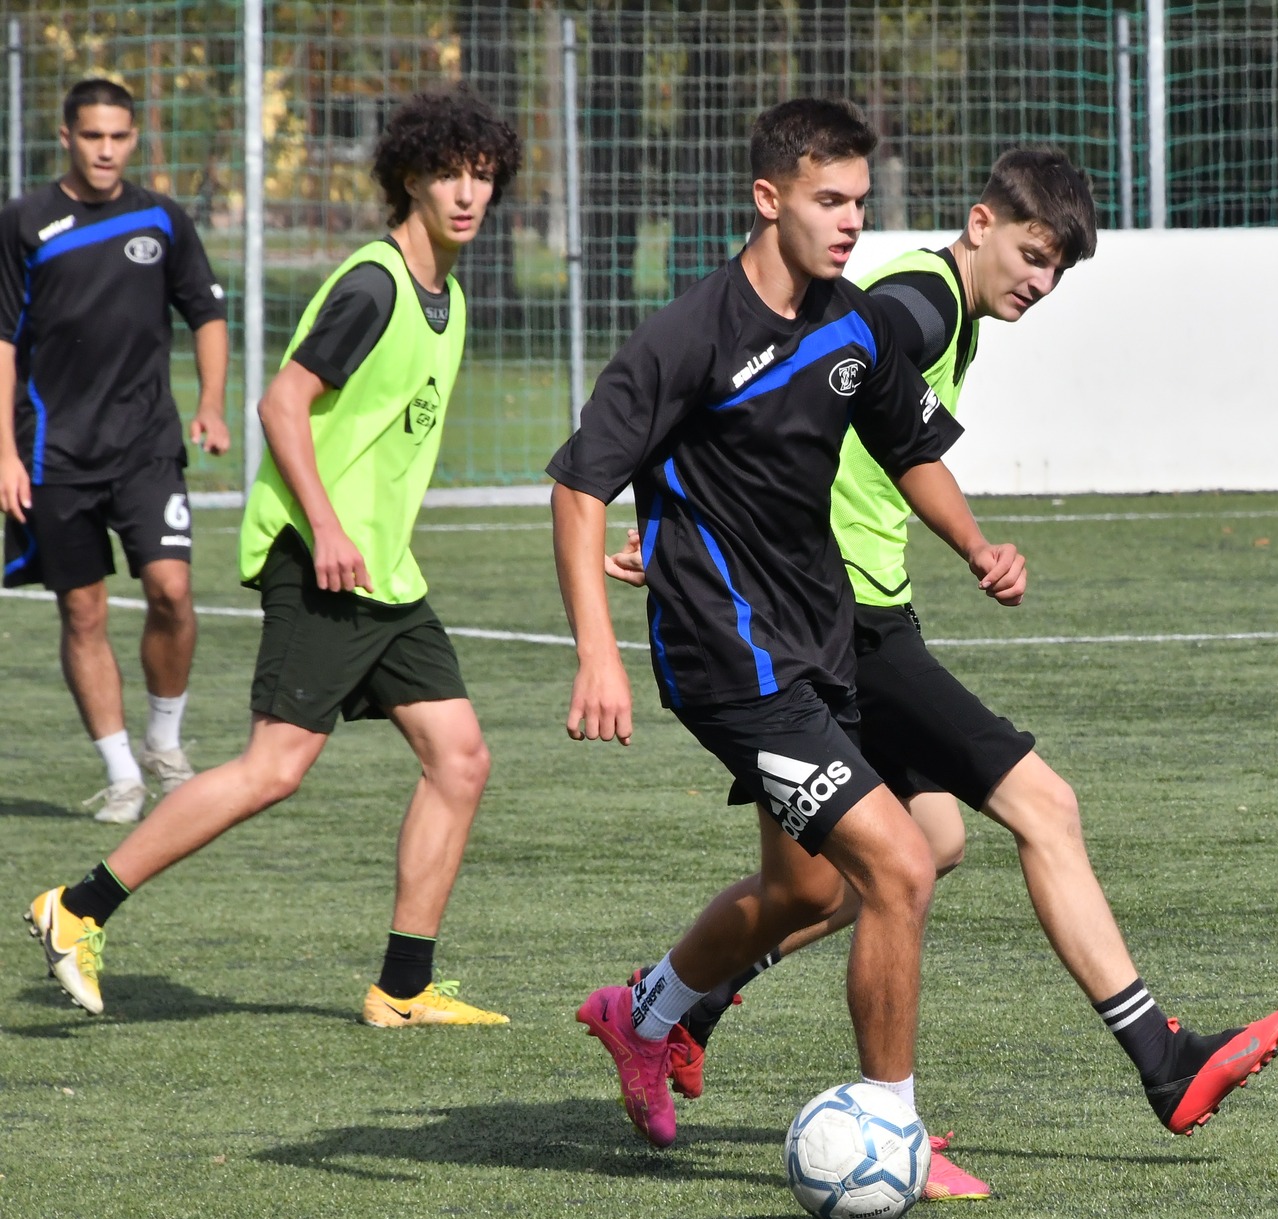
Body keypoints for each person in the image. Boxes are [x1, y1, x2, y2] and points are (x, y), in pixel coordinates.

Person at [607, 150, 1278, 1196]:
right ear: (980, 224)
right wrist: (695, 527)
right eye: (1031, 254)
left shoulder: (944, 314)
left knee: (888, 857)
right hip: (840, 622)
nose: (1040, 281)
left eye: (1058, 269)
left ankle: (665, 1006)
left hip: (849, 617)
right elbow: (789, 381)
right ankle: (1155, 1060)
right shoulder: (917, 307)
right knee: (1036, 807)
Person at [549, 98, 1022, 1158]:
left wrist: (975, 545)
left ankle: (643, 1015)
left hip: (817, 642)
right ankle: (892, 1130)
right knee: (901, 865)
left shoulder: (855, 322)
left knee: (808, 886)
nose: (852, 221)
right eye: (829, 200)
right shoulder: (688, 339)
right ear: (768, 199)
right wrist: (597, 653)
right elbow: (579, 488)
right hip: (728, 658)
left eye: (860, 201)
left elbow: (908, 448)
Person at [24, 87, 520, 1026]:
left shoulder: (446, 296)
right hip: (322, 558)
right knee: (273, 768)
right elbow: (281, 403)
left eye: (483, 177)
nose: (466, 194)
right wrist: (326, 528)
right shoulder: (375, 285)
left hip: (384, 572)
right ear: (409, 180)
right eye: (447, 174)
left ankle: (403, 988)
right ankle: (78, 907)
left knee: (460, 759)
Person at [0, 78, 230, 823]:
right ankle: (122, 773)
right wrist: (4, 454)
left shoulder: (161, 218)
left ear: (134, 138)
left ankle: (165, 740)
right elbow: (2, 343)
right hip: (53, 454)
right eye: (93, 136)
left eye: (119, 137)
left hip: (146, 443)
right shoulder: (23, 222)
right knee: (83, 610)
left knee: (171, 590)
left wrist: (211, 405)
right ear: (66, 136)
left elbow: (206, 314)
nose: (106, 150)